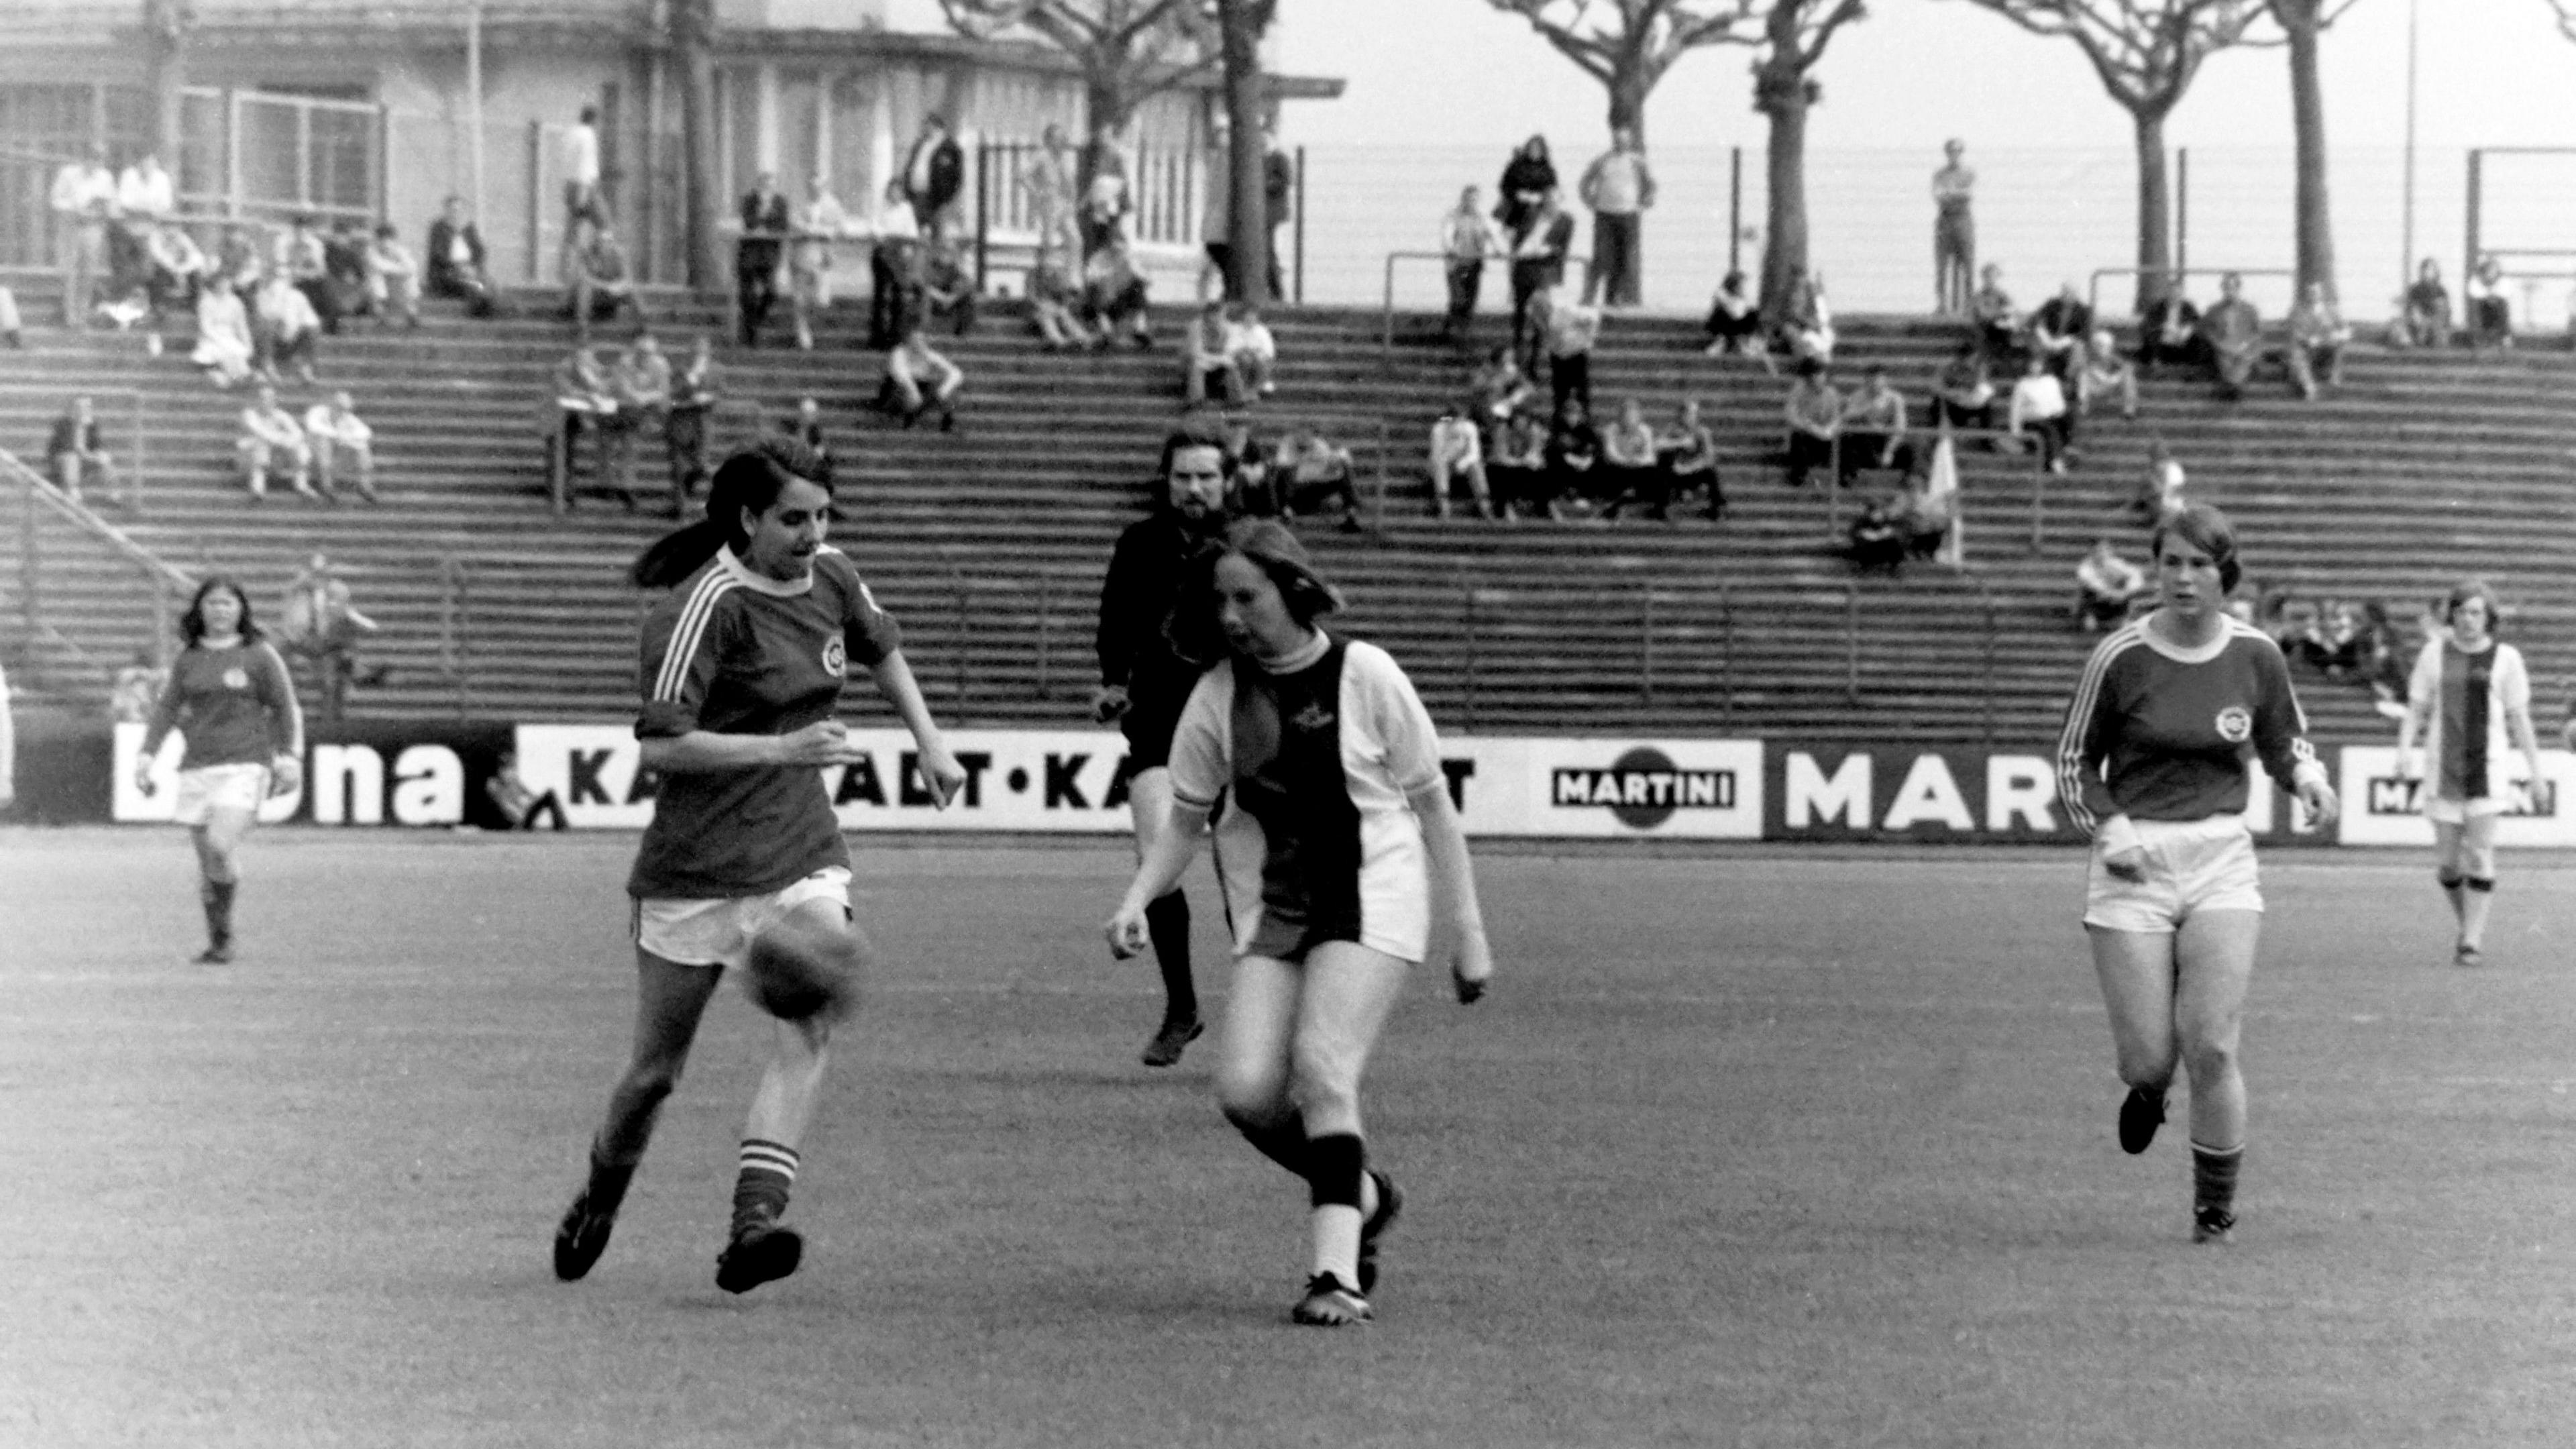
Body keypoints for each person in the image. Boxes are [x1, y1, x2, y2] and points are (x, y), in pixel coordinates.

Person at [551, 436, 967, 1295]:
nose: (813, 533)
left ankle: (753, 1228)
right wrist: (781, 753)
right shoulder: (701, 607)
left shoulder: (835, 576)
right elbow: (664, 750)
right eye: (793, 518)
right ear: (746, 519)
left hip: (798, 852)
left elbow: (882, 648)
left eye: (822, 515)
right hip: (694, 869)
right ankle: (600, 1194)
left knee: (810, 1018)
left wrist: (931, 742)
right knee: (653, 1077)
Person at [1104, 518, 1491, 1327]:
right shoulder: (1216, 694)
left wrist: (1470, 931)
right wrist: (1137, 899)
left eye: (1248, 596)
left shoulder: (1365, 673)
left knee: (1322, 1067)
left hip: (1374, 893)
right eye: (1221, 600)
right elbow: (1185, 820)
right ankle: (1367, 1195)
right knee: (1246, 1094)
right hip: (1277, 911)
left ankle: (1335, 1277)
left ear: (1293, 588)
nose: (1233, 615)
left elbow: (1432, 805)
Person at [2055, 502, 2339, 1246]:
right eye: (2171, 563)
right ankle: (2148, 1090)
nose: (2182, 578)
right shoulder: (2120, 657)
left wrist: (2308, 781)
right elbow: (2073, 762)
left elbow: (2285, 741)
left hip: (2221, 859)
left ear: (2225, 574)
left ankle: (2214, 1212)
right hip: (2134, 861)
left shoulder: (2256, 655)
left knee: (2212, 1043)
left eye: (2199, 565)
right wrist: (2110, 826)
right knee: (2150, 1055)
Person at [1093, 427, 1236, 1067]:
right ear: (1167, 479)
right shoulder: (1140, 543)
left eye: (1206, 476)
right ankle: (1183, 1007)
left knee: (1246, 873)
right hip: (1157, 717)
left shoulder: (1247, 545)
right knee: (1158, 854)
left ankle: (1267, 1011)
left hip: (1239, 721)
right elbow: (1114, 620)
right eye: (1184, 477)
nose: (1195, 488)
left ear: (1226, 480)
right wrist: (1112, 682)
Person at [136, 576, 305, 964]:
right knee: (208, 862)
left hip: (245, 764)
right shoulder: (189, 657)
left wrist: (289, 756)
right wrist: (147, 755)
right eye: (213, 603)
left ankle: (222, 930)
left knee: (218, 845)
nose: (220, 610)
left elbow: (283, 705)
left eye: (228, 603)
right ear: (200, 610)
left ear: (242, 609)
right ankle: (220, 939)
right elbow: (166, 708)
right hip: (197, 767)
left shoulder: (259, 654)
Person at [2396, 580, 2548, 968]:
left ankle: (2472, 940)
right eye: (2462, 612)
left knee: (2480, 855)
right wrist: (2404, 752)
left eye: (2477, 612)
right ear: (2453, 616)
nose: (2469, 620)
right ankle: (2469, 925)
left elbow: (2519, 718)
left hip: (2488, 771)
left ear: (2489, 617)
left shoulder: (2506, 659)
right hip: (2442, 769)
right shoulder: (2434, 654)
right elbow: (2416, 708)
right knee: (2448, 863)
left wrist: (2536, 772)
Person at [277, 551, 383, 724]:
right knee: (281, 649)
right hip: (303, 643)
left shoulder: (337, 591)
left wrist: (364, 623)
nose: (318, 577)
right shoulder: (297, 591)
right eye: (314, 572)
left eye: (322, 572)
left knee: (333, 676)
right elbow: (292, 624)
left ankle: (331, 721)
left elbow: (346, 614)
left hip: (328, 646)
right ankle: (359, 672)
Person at [1578, 128, 1654, 308]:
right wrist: (1588, 200)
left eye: (1624, 140)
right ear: (1613, 141)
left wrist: (1646, 200)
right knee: (1601, 256)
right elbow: (1585, 180)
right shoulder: (1603, 160)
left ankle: (1613, 297)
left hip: (1628, 214)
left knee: (1623, 258)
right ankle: (1589, 297)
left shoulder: (1637, 162)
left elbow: (1651, 184)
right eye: (1618, 140)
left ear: (1629, 142)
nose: (1621, 143)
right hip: (1605, 214)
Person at [51, 144, 116, 328]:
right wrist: (74, 209)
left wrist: (101, 210)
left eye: (98, 159)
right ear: (84, 159)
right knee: (70, 271)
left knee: (88, 273)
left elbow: (111, 203)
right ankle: (69, 316)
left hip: (93, 228)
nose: (94, 163)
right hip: (72, 226)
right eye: (91, 158)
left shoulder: (105, 177)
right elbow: (56, 199)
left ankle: (83, 315)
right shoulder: (68, 174)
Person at [1507, 189, 1574, 364]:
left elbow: (1563, 249)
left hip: (1545, 272)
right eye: (1549, 201)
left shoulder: (1566, 221)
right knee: (1520, 316)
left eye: (1556, 202)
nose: (1552, 205)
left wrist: (1549, 250)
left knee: (1539, 318)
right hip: (1524, 268)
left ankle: (1534, 362)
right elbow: (1517, 239)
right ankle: (1517, 357)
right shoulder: (1531, 216)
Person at [550, 343, 620, 509]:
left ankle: (598, 484)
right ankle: (562, 490)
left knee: (572, 450)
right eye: (583, 358)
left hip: (576, 415)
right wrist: (589, 395)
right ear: (576, 356)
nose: (588, 361)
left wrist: (602, 383)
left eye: (590, 358)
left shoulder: (591, 367)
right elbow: (567, 390)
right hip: (556, 415)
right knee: (561, 452)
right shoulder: (564, 368)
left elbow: (604, 383)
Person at [788, 174, 847, 352]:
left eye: (819, 187)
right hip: (801, 255)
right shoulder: (800, 204)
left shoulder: (833, 206)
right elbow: (792, 222)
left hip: (822, 257)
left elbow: (840, 227)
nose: (815, 191)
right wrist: (807, 228)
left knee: (820, 299)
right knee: (800, 298)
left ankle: (811, 325)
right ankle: (802, 331)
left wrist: (827, 232)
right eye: (812, 187)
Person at [664, 335, 718, 516]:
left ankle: (686, 496)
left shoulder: (715, 370)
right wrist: (692, 378)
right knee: (679, 468)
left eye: (703, 351)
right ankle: (680, 507)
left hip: (703, 425)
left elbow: (720, 392)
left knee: (700, 465)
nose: (700, 354)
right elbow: (674, 393)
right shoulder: (681, 370)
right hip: (681, 423)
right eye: (696, 350)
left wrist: (708, 397)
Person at [1440, 186, 1501, 339]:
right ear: (1463, 200)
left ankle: (1459, 333)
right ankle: (1454, 331)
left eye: (1474, 200)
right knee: (1458, 298)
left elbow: (1493, 234)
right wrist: (1451, 248)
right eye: (1468, 199)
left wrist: (1498, 249)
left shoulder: (1482, 218)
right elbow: (1447, 235)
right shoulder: (1453, 216)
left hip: (1474, 264)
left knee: (1470, 301)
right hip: (1456, 265)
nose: (1471, 203)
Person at [1835, 365, 1913, 486]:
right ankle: (1848, 478)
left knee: (1909, 449)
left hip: (1884, 439)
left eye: (1877, 379)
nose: (1873, 384)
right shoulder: (1858, 396)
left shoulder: (1895, 399)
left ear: (1885, 381)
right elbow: (1845, 418)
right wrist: (1864, 410)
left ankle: (1907, 483)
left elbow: (1900, 429)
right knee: (1846, 439)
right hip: (1864, 440)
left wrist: (1889, 451)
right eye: (1870, 380)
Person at [237, 383, 315, 500]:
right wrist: (283, 439)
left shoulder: (281, 415)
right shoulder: (249, 414)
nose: (267, 401)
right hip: (248, 459)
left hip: (274, 458)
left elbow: (298, 433)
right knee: (261, 443)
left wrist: (289, 441)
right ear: (257, 399)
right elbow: (261, 432)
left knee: (301, 447)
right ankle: (257, 488)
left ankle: (301, 485)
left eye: (270, 398)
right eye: (263, 398)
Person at [737, 173, 790, 347]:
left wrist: (765, 225)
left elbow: (782, 225)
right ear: (759, 186)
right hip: (750, 255)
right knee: (748, 295)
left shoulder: (780, 202)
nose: (768, 190)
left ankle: (756, 321)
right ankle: (750, 334)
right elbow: (748, 222)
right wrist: (762, 216)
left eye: (771, 187)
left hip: (769, 255)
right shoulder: (749, 201)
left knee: (771, 292)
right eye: (765, 186)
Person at [302, 391, 380, 504]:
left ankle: (364, 486)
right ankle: (327, 486)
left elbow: (366, 432)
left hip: (335, 456)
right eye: (339, 407)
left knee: (362, 448)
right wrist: (338, 435)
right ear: (332, 404)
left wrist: (347, 437)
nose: (342, 412)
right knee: (324, 442)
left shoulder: (347, 418)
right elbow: (314, 426)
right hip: (313, 454)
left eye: (345, 409)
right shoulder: (317, 412)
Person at [48, 395, 124, 508]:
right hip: (63, 460)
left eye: (87, 408)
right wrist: (85, 454)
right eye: (81, 408)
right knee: (71, 458)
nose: (84, 411)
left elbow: (97, 445)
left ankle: (113, 494)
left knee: (104, 459)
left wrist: (99, 454)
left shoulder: (91, 426)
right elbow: (67, 447)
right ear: (74, 409)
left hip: (85, 459)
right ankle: (73, 490)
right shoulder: (64, 424)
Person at [565, 222, 639, 339]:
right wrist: (606, 286)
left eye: (609, 241)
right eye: (602, 241)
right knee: (585, 290)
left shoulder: (619, 255)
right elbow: (583, 278)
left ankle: (639, 329)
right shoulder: (588, 255)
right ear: (596, 243)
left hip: (611, 294)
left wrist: (617, 286)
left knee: (632, 291)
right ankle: (583, 327)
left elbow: (627, 279)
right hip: (594, 295)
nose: (605, 245)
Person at [426, 197, 497, 317]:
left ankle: (488, 313)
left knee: (489, 284)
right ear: (446, 211)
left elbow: (480, 251)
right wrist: (458, 267)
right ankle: (480, 316)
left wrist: (473, 267)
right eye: (452, 210)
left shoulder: (469, 228)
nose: (455, 213)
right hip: (447, 273)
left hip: (469, 271)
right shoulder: (438, 228)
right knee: (475, 286)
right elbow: (438, 254)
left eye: (458, 210)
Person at [1284, 430, 1366, 533]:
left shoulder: (1326, 451)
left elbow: (1343, 462)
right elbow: (1294, 474)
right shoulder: (1295, 449)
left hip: (1316, 486)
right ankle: (1352, 511)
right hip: (1301, 491)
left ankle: (1351, 513)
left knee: (1344, 476)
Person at [2008, 350, 2074, 474]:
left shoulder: (2051, 381)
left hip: (2051, 417)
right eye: (2033, 365)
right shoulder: (2022, 384)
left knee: (2064, 419)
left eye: (2038, 364)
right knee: (2049, 430)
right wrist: (2015, 430)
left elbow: (2058, 402)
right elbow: (2015, 408)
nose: (2035, 367)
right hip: (2032, 421)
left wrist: (2058, 412)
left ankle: (2061, 451)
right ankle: (2056, 462)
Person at [253, 267, 323, 385]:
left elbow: (311, 320)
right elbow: (265, 317)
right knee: (268, 327)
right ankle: (268, 366)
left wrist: (295, 328)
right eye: (278, 277)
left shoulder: (298, 296)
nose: (280, 282)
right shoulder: (263, 296)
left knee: (312, 330)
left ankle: (306, 368)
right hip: (273, 339)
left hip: (293, 337)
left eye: (284, 278)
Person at [902, 113, 966, 243]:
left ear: (935, 125)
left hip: (937, 200)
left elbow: (956, 176)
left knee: (937, 234)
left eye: (927, 125)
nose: (924, 128)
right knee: (919, 235)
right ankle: (923, 262)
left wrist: (947, 197)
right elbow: (911, 166)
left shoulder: (949, 147)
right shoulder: (921, 144)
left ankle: (936, 260)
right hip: (917, 196)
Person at [2198, 272, 2261, 400]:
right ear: (2222, 289)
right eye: (2226, 287)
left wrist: (2244, 345)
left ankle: (2230, 386)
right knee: (2224, 360)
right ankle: (2234, 387)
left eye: (2232, 288)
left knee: (2243, 360)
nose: (2229, 291)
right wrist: (2219, 344)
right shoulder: (2213, 310)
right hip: (2222, 347)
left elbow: (2256, 333)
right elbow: (2206, 331)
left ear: (2238, 289)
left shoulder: (2250, 310)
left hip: (2244, 348)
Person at [1658, 398, 1723, 523]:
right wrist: (1679, 442)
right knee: (1663, 463)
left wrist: (1690, 468)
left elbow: (1709, 457)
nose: (1690, 417)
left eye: (1693, 414)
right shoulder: (1672, 430)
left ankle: (1717, 508)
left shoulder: (1703, 432)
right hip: (1675, 472)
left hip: (1692, 471)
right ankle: (1663, 507)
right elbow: (1657, 445)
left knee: (1711, 472)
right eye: (1687, 413)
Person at [1596, 396, 1663, 518]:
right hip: (1620, 468)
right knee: (1606, 469)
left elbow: (1650, 456)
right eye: (1626, 416)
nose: (1629, 420)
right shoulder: (1611, 430)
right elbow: (1611, 454)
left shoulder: (1645, 431)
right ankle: (1612, 502)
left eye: (1633, 417)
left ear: (1639, 417)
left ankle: (1650, 506)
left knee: (1655, 473)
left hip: (1639, 468)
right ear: (1621, 417)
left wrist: (1637, 461)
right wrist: (1627, 461)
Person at [1542, 286, 1601, 421]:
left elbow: (1591, 322)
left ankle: (1585, 420)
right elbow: (1555, 329)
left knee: (1581, 392)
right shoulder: (1557, 315)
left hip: (1577, 356)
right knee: (1561, 393)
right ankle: (1560, 421)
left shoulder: (1584, 313)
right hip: (1560, 357)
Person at [1932, 139, 1976, 315]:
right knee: (1942, 265)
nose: (1954, 154)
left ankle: (1968, 306)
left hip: (1963, 219)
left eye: (1958, 151)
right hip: (1945, 220)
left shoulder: (1969, 173)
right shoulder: (1939, 175)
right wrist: (1956, 193)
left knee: (1967, 262)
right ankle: (1943, 305)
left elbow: (1969, 194)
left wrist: (1951, 192)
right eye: (1951, 151)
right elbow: (1938, 195)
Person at [2286, 281, 2350, 400]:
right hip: (2309, 349)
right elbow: (2295, 332)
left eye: (2315, 292)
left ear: (2321, 294)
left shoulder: (2332, 310)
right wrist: (2308, 339)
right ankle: (2309, 387)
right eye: (2310, 292)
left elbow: (2346, 331)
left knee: (2341, 345)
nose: (2313, 295)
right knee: (2297, 352)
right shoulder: (2298, 311)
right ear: (2306, 295)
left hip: (2328, 348)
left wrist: (2335, 336)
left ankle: (2334, 379)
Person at [1781, 360, 1841, 489]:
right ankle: (1798, 476)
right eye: (1814, 376)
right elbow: (1791, 415)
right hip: (1806, 433)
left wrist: (1827, 430)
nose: (1817, 379)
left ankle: (1843, 476)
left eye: (1820, 375)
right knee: (1798, 438)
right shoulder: (1798, 392)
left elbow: (1836, 418)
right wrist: (1808, 427)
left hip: (1824, 435)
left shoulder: (1832, 394)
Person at [1428, 408, 1492, 521]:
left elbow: (1475, 453)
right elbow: (1437, 455)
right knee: (1440, 467)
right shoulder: (1438, 429)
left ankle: (1485, 507)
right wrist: (1449, 461)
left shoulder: (1470, 428)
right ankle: (1444, 507)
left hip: (1464, 462)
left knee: (1477, 467)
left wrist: (1463, 463)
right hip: (1444, 462)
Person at [193, 274, 256, 388]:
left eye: (226, 283)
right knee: (224, 351)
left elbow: (241, 326)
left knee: (237, 351)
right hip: (211, 338)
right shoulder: (206, 302)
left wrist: (248, 342)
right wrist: (220, 340)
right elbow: (205, 327)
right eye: (221, 283)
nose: (224, 286)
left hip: (230, 336)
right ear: (216, 285)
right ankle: (233, 377)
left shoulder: (236, 302)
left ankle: (243, 376)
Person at [1486, 408, 1549, 520]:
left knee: (1541, 471)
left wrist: (1525, 461)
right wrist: (1521, 462)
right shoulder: (1502, 430)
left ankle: (1544, 507)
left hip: (1521, 465)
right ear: (1512, 421)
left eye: (1523, 422)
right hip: (1501, 466)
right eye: (1517, 421)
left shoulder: (1534, 430)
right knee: (1504, 472)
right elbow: (1501, 456)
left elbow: (1535, 454)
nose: (1520, 425)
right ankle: (1505, 506)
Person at [485, 747, 568, 831]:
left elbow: (530, 795)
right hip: (512, 821)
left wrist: (530, 804)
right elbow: (504, 806)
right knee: (516, 814)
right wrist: (519, 812)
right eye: (506, 770)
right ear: (500, 771)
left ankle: (561, 827)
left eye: (511, 769)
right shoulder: (494, 784)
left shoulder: (515, 782)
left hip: (524, 817)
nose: (509, 773)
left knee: (549, 794)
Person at [2074, 537, 2147, 631]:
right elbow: (2093, 584)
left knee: (2125, 585)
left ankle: (2126, 618)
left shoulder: (2115, 564)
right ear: (2092, 552)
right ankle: (2089, 617)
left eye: (2105, 550)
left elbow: (2136, 575)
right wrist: (2112, 593)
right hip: (2096, 600)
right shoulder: (2085, 568)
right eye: (2098, 550)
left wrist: (2126, 591)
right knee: (2087, 592)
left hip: (2114, 599)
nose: (2101, 553)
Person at [1027, 252, 1093, 350]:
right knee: (1046, 316)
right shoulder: (1033, 275)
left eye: (1050, 259)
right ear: (1039, 260)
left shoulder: (1057, 275)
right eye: (1044, 259)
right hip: (1039, 309)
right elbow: (1030, 296)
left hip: (1055, 307)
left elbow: (1063, 296)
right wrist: (1042, 305)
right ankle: (1058, 341)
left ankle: (1082, 338)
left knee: (1064, 314)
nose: (1047, 263)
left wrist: (1062, 303)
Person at [2028, 282, 2092, 382]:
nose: (2067, 295)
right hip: (2049, 341)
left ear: (2077, 294)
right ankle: (2036, 376)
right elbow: (2034, 319)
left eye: (2071, 293)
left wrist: (2066, 341)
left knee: (2079, 348)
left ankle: (2069, 380)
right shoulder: (2052, 304)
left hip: (2068, 345)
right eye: (2065, 292)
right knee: (2037, 341)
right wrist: (2044, 335)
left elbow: (2085, 332)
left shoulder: (2083, 311)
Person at [1495, 136, 1556, 239]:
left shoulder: (1547, 169)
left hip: (1540, 204)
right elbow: (1504, 186)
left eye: (1537, 149)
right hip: (1516, 203)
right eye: (1532, 148)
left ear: (1543, 151)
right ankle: (1519, 243)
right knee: (1526, 211)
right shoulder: (1516, 166)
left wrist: (1541, 197)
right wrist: (1518, 194)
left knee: (1563, 219)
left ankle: (1534, 243)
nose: (1534, 151)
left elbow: (1553, 188)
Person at [2137, 276, 2202, 371]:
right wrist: (2163, 328)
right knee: (2152, 339)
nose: (2175, 296)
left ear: (2182, 294)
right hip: (2163, 344)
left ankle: (2194, 370)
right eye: (2172, 293)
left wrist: (2188, 330)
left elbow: (2199, 323)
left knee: (2199, 342)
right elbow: (2145, 326)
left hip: (2182, 343)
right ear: (2167, 293)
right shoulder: (2157, 308)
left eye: (2178, 293)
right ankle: (2156, 363)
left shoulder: (2188, 308)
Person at [366, 223, 422, 330]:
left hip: (396, 290)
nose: (385, 243)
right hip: (376, 295)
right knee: (376, 277)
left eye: (388, 239)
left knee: (411, 278)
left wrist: (398, 270)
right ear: (377, 240)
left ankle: (412, 313)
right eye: (382, 239)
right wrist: (400, 269)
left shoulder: (401, 251)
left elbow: (412, 268)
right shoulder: (371, 251)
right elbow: (380, 266)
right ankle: (380, 314)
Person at [1185, 301, 1241, 407]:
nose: (1216, 319)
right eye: (1214, 315)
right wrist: (1217, 360)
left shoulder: (1230, 328)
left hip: (1215, 363)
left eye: (1220, 316)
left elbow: (1230, 351)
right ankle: (1196, 401)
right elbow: (1195, 352)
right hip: (1196, 363)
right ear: (1207, 315)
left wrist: (1214, 361)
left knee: (1232, 366)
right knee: (1197, 365)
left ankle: (1236, 400)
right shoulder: (1196, 326)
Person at [1932, 340, 1998, 431]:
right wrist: (1952, 393)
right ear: (1963, 357)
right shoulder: (1947, 366)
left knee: (1987, 406)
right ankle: (1940, 434)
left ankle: (1986, 440)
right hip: (1954, 403)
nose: (1975, 360)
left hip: (1970, 402)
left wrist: (1973, 394)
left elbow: (1984, 386)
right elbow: (1936, 387)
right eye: (1973, 358)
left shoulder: (1980, 367)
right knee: (1938, 402)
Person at [2076, 329, 2141, 421]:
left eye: (2108, 346)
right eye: (2102, 346)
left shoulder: (2111, 357)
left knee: (2128, 376)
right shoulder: (2087, 358)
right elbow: (2090, 372)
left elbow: (2128, 366)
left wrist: (2123, 370)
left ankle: (2129, 410)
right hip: (2095, 387)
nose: (2106, 348)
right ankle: (2083, 407)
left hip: (2109, 384)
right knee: (2083, 376)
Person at [1702, 270, 1764, 361]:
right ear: (1733, 285)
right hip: (1724, 324)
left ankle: (1743, 343)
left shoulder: (1743, 298)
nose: (1742, 288)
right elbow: (1732, 312)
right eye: (1740, 285)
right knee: (1721, 313)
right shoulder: (1721, 294)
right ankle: (1721, 342)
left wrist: (1743, 301)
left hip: (1736, 325)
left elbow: (1744, 312)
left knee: (1753, 314)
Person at [563, 105, 606, 233]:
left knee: (573, 227)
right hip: (585, 187)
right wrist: (583, 194)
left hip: (570, 185)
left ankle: (568, 251)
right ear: (593, 120)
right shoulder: (588, 135)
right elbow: (584, 164)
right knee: (604, 223)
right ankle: (603, 250)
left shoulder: (572, 132)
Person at [2392, 258, 2451, 350]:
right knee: (2397, 324)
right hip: (2417, 326)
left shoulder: (2440, 291)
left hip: (2434, 328)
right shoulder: (2415, 290)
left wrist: (2429, 322)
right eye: (2425, 270)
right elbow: (2409, 309)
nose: (2427, 274)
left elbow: (2443, 314)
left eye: (2430, 271)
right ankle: (2408, 343)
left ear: (2436, 273)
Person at [1970, 263, 2019, 365]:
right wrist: (2001, 313)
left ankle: (2004, 363)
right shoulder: (1979, 296)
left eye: (1994, 277)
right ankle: (1994, 362)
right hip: (1984, 329)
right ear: (1984, 279)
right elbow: (1984, 315)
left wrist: (2009, 318)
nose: (1991, 280)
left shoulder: (2001, 294)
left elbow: (2012, 309)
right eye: (1989, 277)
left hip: (2000, 329)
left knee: (2009, 328)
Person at [2129, 439, 2186, 525]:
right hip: (2157, 505)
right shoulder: (2150, 471)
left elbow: (2176, 489)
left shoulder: (2173, 468)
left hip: (2169, 506)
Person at [1227, 305, 1278, 398]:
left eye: (1252, 316)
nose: (1250, 319)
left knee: (1260, 361)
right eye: (1248, 316)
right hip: (1240, 358)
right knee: (1245, 360)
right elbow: (1230, 348)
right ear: (1243, 317)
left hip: (1258, 359)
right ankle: (1242, 390)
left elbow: (1269, 351)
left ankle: (1254, 391)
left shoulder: (1262, 331)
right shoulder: (1235, 329)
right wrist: (1244, 351)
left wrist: (1256, 354)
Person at [2466, 254, 2511, 349]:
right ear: (2484, 271)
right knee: (2475, 306)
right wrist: (2489, 296)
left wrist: (2491, 296)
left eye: (2494, 271)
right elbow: (2474, 293)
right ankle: (2477, 338)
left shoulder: (2503, 281)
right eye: (2489, 271)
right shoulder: (2476, 281)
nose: (2491, 274)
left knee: (2502, 305)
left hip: (2496, 311)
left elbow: (2506, 293)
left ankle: (2504, 336)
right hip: (2482, 311)